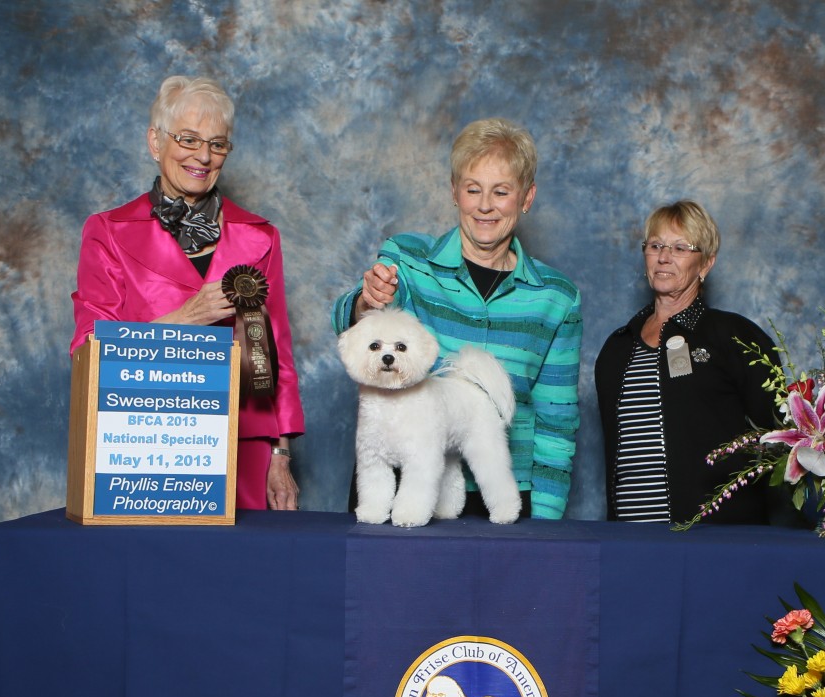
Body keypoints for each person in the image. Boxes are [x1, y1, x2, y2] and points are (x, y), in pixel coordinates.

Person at [70, 75, 304, 510]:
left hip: (245, 441)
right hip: (146, 438)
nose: (203, 155)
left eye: (218, 144)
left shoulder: (261, 235)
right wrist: (184, 318)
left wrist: (280, 454)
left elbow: (277, 355)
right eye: (189, 139)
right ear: (155, 142)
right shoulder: (107, 232)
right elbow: (89, 349)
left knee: (243, 574)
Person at [331, 118, 582, 519]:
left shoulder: (556, 297)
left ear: (527, 197)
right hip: (400, 489)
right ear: (454, 191)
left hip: (503, 495)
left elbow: (558, 418)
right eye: (472, 190)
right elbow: (352, 320)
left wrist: (547, 524)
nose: (485, 206)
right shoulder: (408, 259)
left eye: (501, 192)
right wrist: (366, 303)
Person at [594, 200, 779, 524]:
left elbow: (780, 437)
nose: (664, 257)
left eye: (680, 247)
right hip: (628, 538)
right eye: (656, 245)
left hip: (714, 538)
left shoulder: (735, 337)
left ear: (705, 263)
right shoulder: (617, 348)